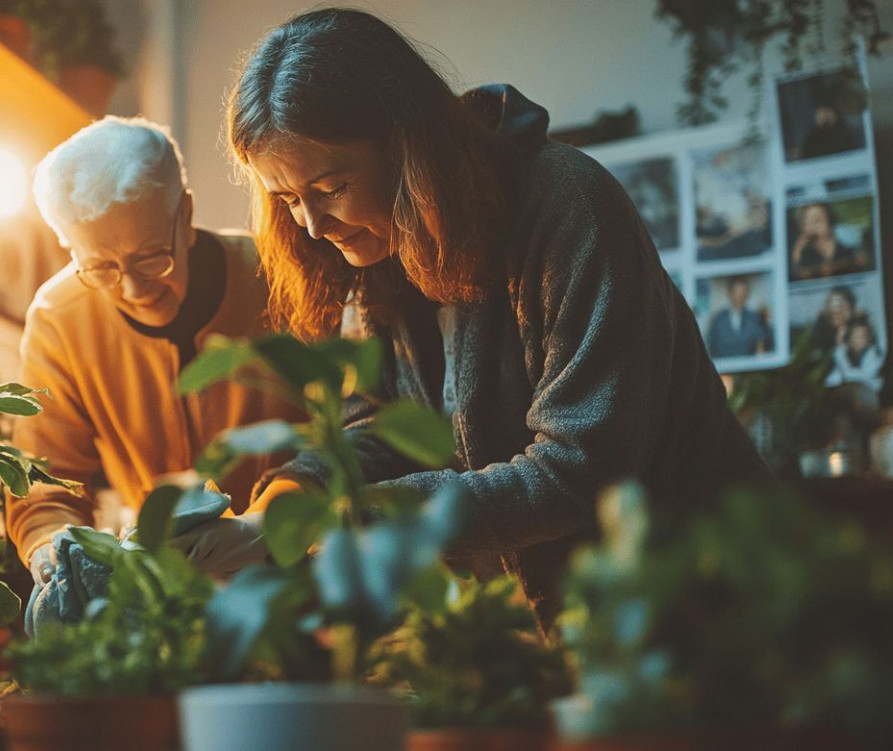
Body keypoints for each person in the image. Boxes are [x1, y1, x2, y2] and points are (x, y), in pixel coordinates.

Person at [196, 8, 769, 620]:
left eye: (331, 187)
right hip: (569, 623)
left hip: (704, 603)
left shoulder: (570, 209)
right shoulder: (378, 249)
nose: (310, 226)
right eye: (287, 199)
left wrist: (341, 518)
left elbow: (580, 471)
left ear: (404, 145)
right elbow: (382, 431)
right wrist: (282, 505)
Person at [7, 116, 303, 599]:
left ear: (184, 216)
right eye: (100, 267)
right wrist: (50, 547)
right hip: (160, 595)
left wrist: (262, 526)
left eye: (150, 257)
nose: (132, 288)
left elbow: (347, 435)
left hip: (297, 578)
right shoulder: (58, 318)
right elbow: (43, 483)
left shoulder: (280, 278)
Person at [706, 276, 773, 358]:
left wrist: (766, 321)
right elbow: (711, 348)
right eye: (737, 293)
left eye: (743, 293)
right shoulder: (718, 320)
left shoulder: (754, 318)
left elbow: (763, 344)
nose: (740, 297)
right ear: (730, 294)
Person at [790, 202, 861, 280]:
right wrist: (797, 250)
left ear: (829, 220)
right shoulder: (805, 256)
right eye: (807, 223)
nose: (813, 227)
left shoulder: (848, 247)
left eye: (817, 220)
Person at [826, 315, 883, 393]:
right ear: (849, 338)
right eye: (855, 337)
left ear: (868, 339)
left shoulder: (872, 354)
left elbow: (849, 374)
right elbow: (832, 379)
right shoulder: (845, 350)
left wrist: (840, 350)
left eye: (861, 337)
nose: (857, 341)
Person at [809, 286, 857, 352]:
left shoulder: (857, 330)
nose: (836, 311)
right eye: (832, 306)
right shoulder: (821, 331)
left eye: (842, 306)